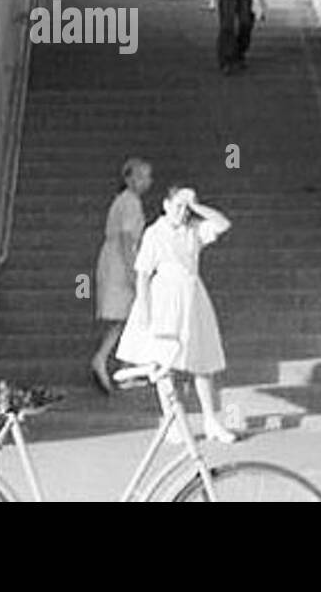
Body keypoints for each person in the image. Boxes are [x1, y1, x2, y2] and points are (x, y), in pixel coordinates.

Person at [115, 187, 238, 444]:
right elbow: (143, 275)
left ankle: (211, 420)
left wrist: (197, 206)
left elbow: (222, 223)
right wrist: (145, 311)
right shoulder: (154, 233)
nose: (182, 212)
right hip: (164, 298)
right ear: (166, 204)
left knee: (202, 360)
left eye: (186, 208)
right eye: (178, 206)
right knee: (163, 362)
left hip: (193, 296)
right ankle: (173, 421)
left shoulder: (193, 230)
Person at [91, 157, 154, 393]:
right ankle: (106, 359)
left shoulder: (125, 201)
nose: (147, 181)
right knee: (128, 314)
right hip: (120, 260)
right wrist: (132, 272)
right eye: (142, 176)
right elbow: (127, 240)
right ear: (129, 178)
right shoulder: (129, 202)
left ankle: (123, 365)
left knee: (128, 315)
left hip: (115, 257)